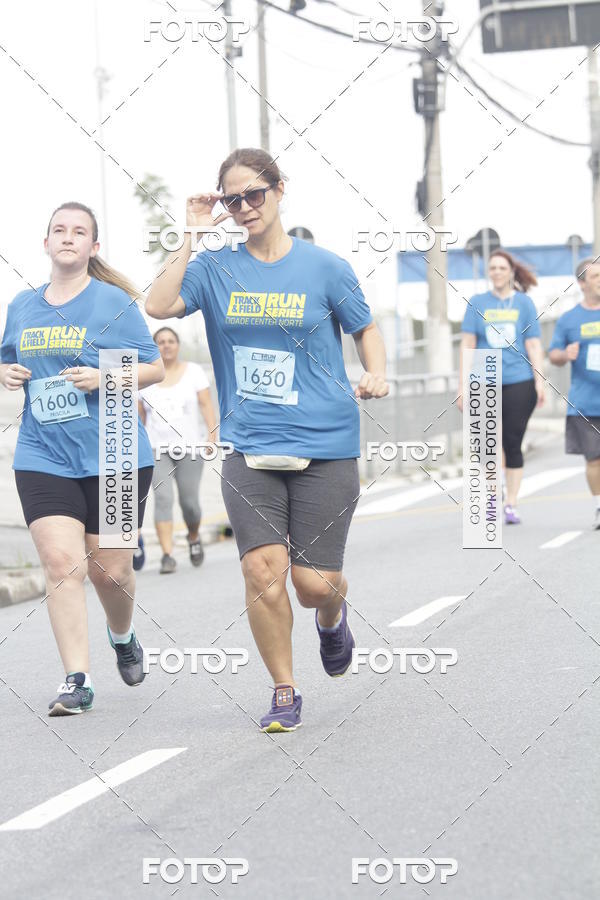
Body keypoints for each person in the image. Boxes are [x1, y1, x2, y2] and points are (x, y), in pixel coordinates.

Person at [145, 148, 389, 732]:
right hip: (248, 443)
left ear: (280, 190)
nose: (245, 207)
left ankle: (332, 617)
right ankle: (284, 687)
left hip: (326, 441)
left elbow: (366, 328)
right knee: (262, 569)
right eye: (233, 199)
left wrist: (375, 371)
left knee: (312, 583)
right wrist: (191, 233)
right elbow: (157, 304)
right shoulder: (214, 268)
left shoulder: (326, 267)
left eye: (255, 194)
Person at [0, 202, 164, 715]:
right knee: (60, 564)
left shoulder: (112, 302)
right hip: (43, 452)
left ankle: (123, 636)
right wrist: (4, 374)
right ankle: (77, 679)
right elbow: (8, 357)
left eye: (80, 232)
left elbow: (155, 368)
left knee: (109, 571)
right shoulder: (22, 306)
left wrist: (104, 377)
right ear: (45, 243)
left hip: (114, 450)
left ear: (93, 248)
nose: (67, 238)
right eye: (59, 230)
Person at [459, 250, 545, 524]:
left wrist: (539, 381)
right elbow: (468, 344)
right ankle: (495, 493)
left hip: (519, 380)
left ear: (511, 272)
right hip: (484, 379)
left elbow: (533, 344)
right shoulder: (477, 302)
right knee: (486, 445)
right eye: (492, 268)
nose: (496, 272)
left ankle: (511, 503)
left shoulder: (524, 303)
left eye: (501, 268)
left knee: (512, 442)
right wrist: (462, 385)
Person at [138, 326, 217, 573]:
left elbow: (206, 405)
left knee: (189, 502)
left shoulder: (193, 372)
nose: (166, 345)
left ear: (178, 345)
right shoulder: (145, 377)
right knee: (163, 499)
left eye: (171, 341)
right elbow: (141, 418)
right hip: (155, 448)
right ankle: (167, 555)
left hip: (190, 447)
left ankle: (193, 537)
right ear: (155, 347)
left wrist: (212, 435)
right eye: (160, 342)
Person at [549, 257, 600, 529]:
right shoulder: (570, 320)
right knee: (594, 459)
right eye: (595, 277)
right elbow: (553, 353)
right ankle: (599, 506)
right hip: (586, 403)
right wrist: (564, 354)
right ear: (582, 283)